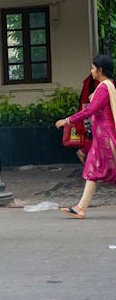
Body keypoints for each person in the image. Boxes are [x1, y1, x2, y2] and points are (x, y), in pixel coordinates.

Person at [55, 55, 116, 219]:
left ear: (100, 70)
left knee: (95, 170)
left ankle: (81, 207)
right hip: (103, 137)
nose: (91, 71)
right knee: (94, 171)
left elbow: (90, 111)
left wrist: (67, 121)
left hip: (105, 137)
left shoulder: (104, 87)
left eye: (92, 68)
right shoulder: (106, 86)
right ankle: (81, 207)